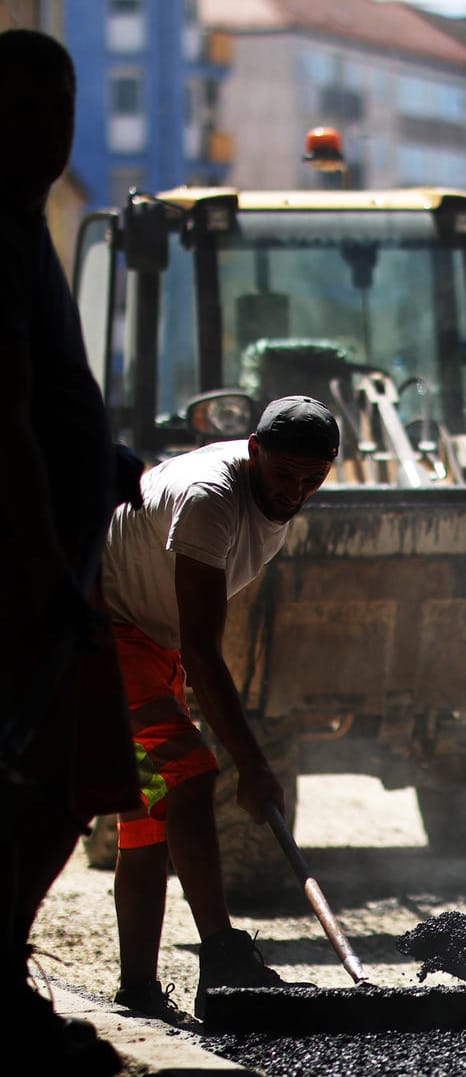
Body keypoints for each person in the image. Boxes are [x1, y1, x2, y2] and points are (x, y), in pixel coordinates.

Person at [100, 395, 339, 1023]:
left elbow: (191, 640)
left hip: (152, 643)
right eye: (284, 474)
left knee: (150, 813)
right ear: (254, 450)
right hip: (101, 632)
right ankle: (225, 958)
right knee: (191, 775)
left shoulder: (276, 490)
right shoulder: (210, 498)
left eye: (312, 479)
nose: (295, 491)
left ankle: (139, 991)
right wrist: (253, 764)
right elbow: (205, 650)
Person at [0, 28, 143, 1074]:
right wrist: (50, 567)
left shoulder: (21, 225)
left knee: (58, 781)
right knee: (46, 783)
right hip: (26, 579)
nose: (55, 129)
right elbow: (2, 421)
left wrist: (109, 456)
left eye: (66, 105)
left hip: (51, 566)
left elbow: (47, 407)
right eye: (32, 106)